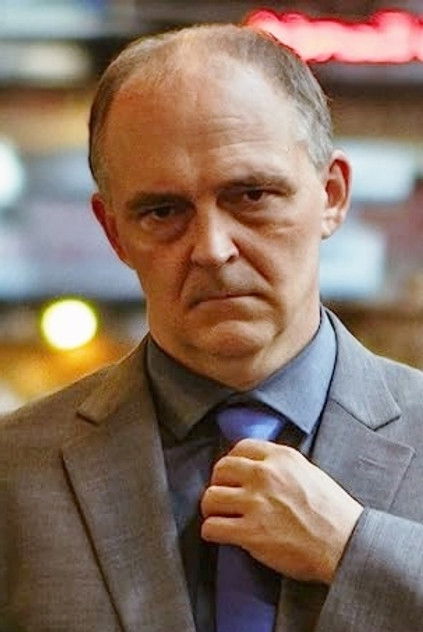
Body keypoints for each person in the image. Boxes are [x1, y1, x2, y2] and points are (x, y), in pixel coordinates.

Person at [1, 23, 423, 632]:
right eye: (163, 211)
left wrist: (356, 550)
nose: (213, 249)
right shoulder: (16, 472)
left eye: (251, 196)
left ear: (331, 196)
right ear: (115, 232)